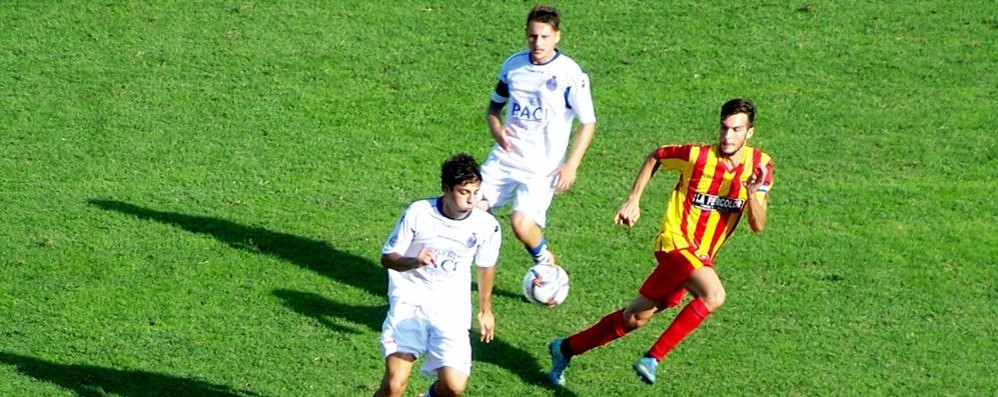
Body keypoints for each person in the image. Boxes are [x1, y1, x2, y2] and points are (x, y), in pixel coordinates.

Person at [546, 98, 774, 386]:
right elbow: (657, 155)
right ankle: (652, 358)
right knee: (714, 295)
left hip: (701, 257)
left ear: (749, 132)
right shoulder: (697, 157)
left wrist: (752, 192)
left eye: (736, 130)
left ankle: (565, 348)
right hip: (674, 243)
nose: (728, 137)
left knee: (635, 318)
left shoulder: (761, 166)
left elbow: (758, 225)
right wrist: (633, 199)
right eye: (724, 128)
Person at [374, 154, 502, 397]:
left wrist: (486, 310)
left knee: (454, 387)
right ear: (446, 189)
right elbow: (387, 258)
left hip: (451, 308)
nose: (472, 199)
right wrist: (414, 261)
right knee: (393, 385)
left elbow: (486, 265)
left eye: (476, 192)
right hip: (410, 301)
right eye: (464, 192)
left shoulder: (486, 225)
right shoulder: (419, 212)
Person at [479, 4, 596, 269]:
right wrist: (496, 128)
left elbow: (588, 122)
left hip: (542, 167)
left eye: (544, 36)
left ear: (557, 36)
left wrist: (571, 166)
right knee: (470, 210)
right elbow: (494, 108)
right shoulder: (513, 65)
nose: (537, 42)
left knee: (520, 223)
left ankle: (544, 261)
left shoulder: (570, 74)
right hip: (505, 158)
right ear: (526, 34)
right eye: (533, 36)